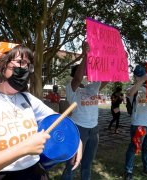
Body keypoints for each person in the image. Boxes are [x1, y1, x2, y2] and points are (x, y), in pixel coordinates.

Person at [0, 42, 82, 180]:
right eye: (20, 62)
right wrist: (23, 148)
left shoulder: (27, 98)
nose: (27, 69)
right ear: (0, 63)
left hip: (37, 172)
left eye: (28, 64)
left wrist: (75, 139)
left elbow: (58, 120)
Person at [61, 42, 107, 180]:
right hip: (79, 129)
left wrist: (117, 61)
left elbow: (107, 78)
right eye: (83, 70)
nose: (86, 73)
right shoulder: (71, 88)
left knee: (87, 164)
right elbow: (77, 78)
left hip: (94, 130)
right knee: (73, 164)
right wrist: (85, 56)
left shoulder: (92, 87)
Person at [124, 65, 147, 180]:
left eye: (142, 76)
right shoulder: (131, 89)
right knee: (134, 148)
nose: (141, 78)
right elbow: (130, 94)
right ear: (135, 77)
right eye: (138, 76)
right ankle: (128, 171)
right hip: (139, 124)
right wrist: (142, 80)